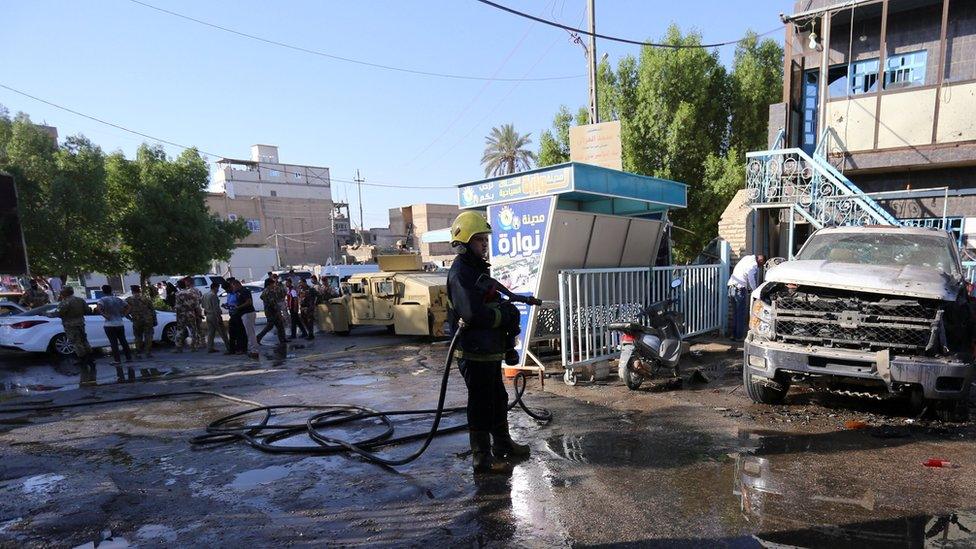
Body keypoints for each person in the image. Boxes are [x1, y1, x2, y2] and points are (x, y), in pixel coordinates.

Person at [447, 211, 530, 475]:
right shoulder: (461, 273)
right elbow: (472, 313)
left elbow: (487, 301)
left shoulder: (476, 270)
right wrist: (502, 315)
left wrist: (506, 310)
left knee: (497, 397)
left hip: (488, 351)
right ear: (466, 242)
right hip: (473, 352)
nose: (485, 244)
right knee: (481, 402)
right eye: (479, 239)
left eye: (485, 239)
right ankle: (481, 457)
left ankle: (503, 444)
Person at [49, 287, 96, 384]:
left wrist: (51, 314)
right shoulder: (80, 300)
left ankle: (83, 361)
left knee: (76, 342)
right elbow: (87, 310)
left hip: (70, 325)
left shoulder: (65, 302)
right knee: (84, 341)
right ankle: (91, 359)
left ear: (64, 294)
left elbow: (60, 312)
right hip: (80, 323)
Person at [96, 284, 133, 381]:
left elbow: (98, 308)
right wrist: (124, 314)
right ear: (111, 290)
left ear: (103, 291)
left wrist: (105, 315)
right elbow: (128, 307)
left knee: (113, 342)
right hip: (119, 323)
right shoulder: (117, 299)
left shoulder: (102, 300)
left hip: (109, 325)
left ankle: (117, 360)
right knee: (123, 340)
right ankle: (128, 357)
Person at [727, 254, 766, 340]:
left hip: (731, 287)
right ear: (761, 260)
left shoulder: (746, 258)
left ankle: (733, 335)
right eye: (761, 265)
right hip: (739, 289)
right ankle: (739, 336)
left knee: (735, 313)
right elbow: (751, 277)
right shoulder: (754, 264)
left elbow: (743, 273)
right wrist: (755, 290)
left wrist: (748, 288)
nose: (759, 267)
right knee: (740, 314)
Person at [125, 285, 157, 359]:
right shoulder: (145, 299)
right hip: (148, 320)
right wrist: (155, 320)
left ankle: (138, 353)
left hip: (137, 321)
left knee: (138, 337)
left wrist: (130, 319)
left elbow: (124, 312)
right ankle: (148, 352)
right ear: (139, 290)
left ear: (132, 291)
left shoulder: (128, 300)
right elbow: (152, 310)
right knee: (148, 336)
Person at [231, 279, 259, 358]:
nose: (233, 289)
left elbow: (248, 302)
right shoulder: (239, 292)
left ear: (237, 285)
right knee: (249, 332)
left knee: (250, 333)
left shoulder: (244, 291)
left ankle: (254, 351)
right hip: (244, 313)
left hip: (248, 313)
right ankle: (252, 349)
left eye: (233, 286)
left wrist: (239, 307)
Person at [174, 279, 203, 352]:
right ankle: (194, 347)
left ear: (179, 286)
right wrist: (198, 314)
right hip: (191, 313)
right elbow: (196, 305)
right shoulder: (191, 293)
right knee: (193, 330)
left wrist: (177, 316)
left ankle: (178, 347)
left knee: (180, 330)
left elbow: (177, 306)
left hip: (182, 314)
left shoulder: (178, 294)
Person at [256, 278, 287, 346]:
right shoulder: (269, 291)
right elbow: (273, 304)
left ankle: (282, 339)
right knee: (271, 326)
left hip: (270, 311)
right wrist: (279, 314)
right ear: (269, 284)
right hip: (272, 312)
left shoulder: (266, 291)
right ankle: (258, 337)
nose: (274, 285)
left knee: (279, 325)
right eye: (272, 283)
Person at [203, 281, 228, 353]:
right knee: (222, 332)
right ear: (215, 288)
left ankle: (210, 348)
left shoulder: (205, 295)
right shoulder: (213, 296)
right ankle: (228, 347)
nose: (218, 290)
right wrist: (219, 317)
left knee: (211, 333)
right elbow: (216, 308)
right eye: (217, 288)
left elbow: (203, 306)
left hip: (208, 315)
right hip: (215, 316)